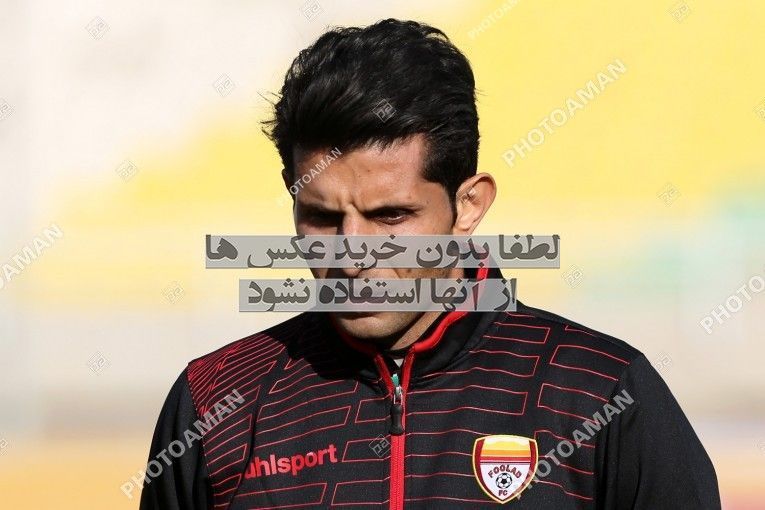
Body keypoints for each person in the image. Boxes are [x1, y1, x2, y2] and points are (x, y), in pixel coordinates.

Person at [140, 19, 720, 509]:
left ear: (469, 205)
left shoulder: (600, 393)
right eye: (321, 216)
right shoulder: (215, 403)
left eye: (390, 215)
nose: (351, 255)